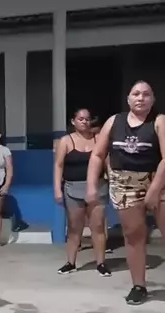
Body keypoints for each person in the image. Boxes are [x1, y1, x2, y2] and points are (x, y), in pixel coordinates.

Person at [86, 80, 165, 306]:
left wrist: (153, 191)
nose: (140, 98)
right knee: (134, 235)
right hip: (124, 184)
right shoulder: (114, 122)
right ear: (128, 99)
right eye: (136, 94)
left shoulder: (160, 121)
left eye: (146, 94)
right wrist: (91, 186)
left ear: (153, 99)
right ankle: (138, 286)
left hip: (159, 181)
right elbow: (97, 155)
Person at [54, 109, 110, 276]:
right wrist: (57, 189)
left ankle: (101, 263)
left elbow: (107, 163)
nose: (84, 122)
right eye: (80, 119)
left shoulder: (99, 139)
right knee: (74, 228)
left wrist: (113, 182)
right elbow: (58, 165)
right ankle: (70, 263)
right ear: (73, 121)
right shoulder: (65, 141)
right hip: (72, 189)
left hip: (98, 188)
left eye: (87, 119)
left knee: (98, 227)